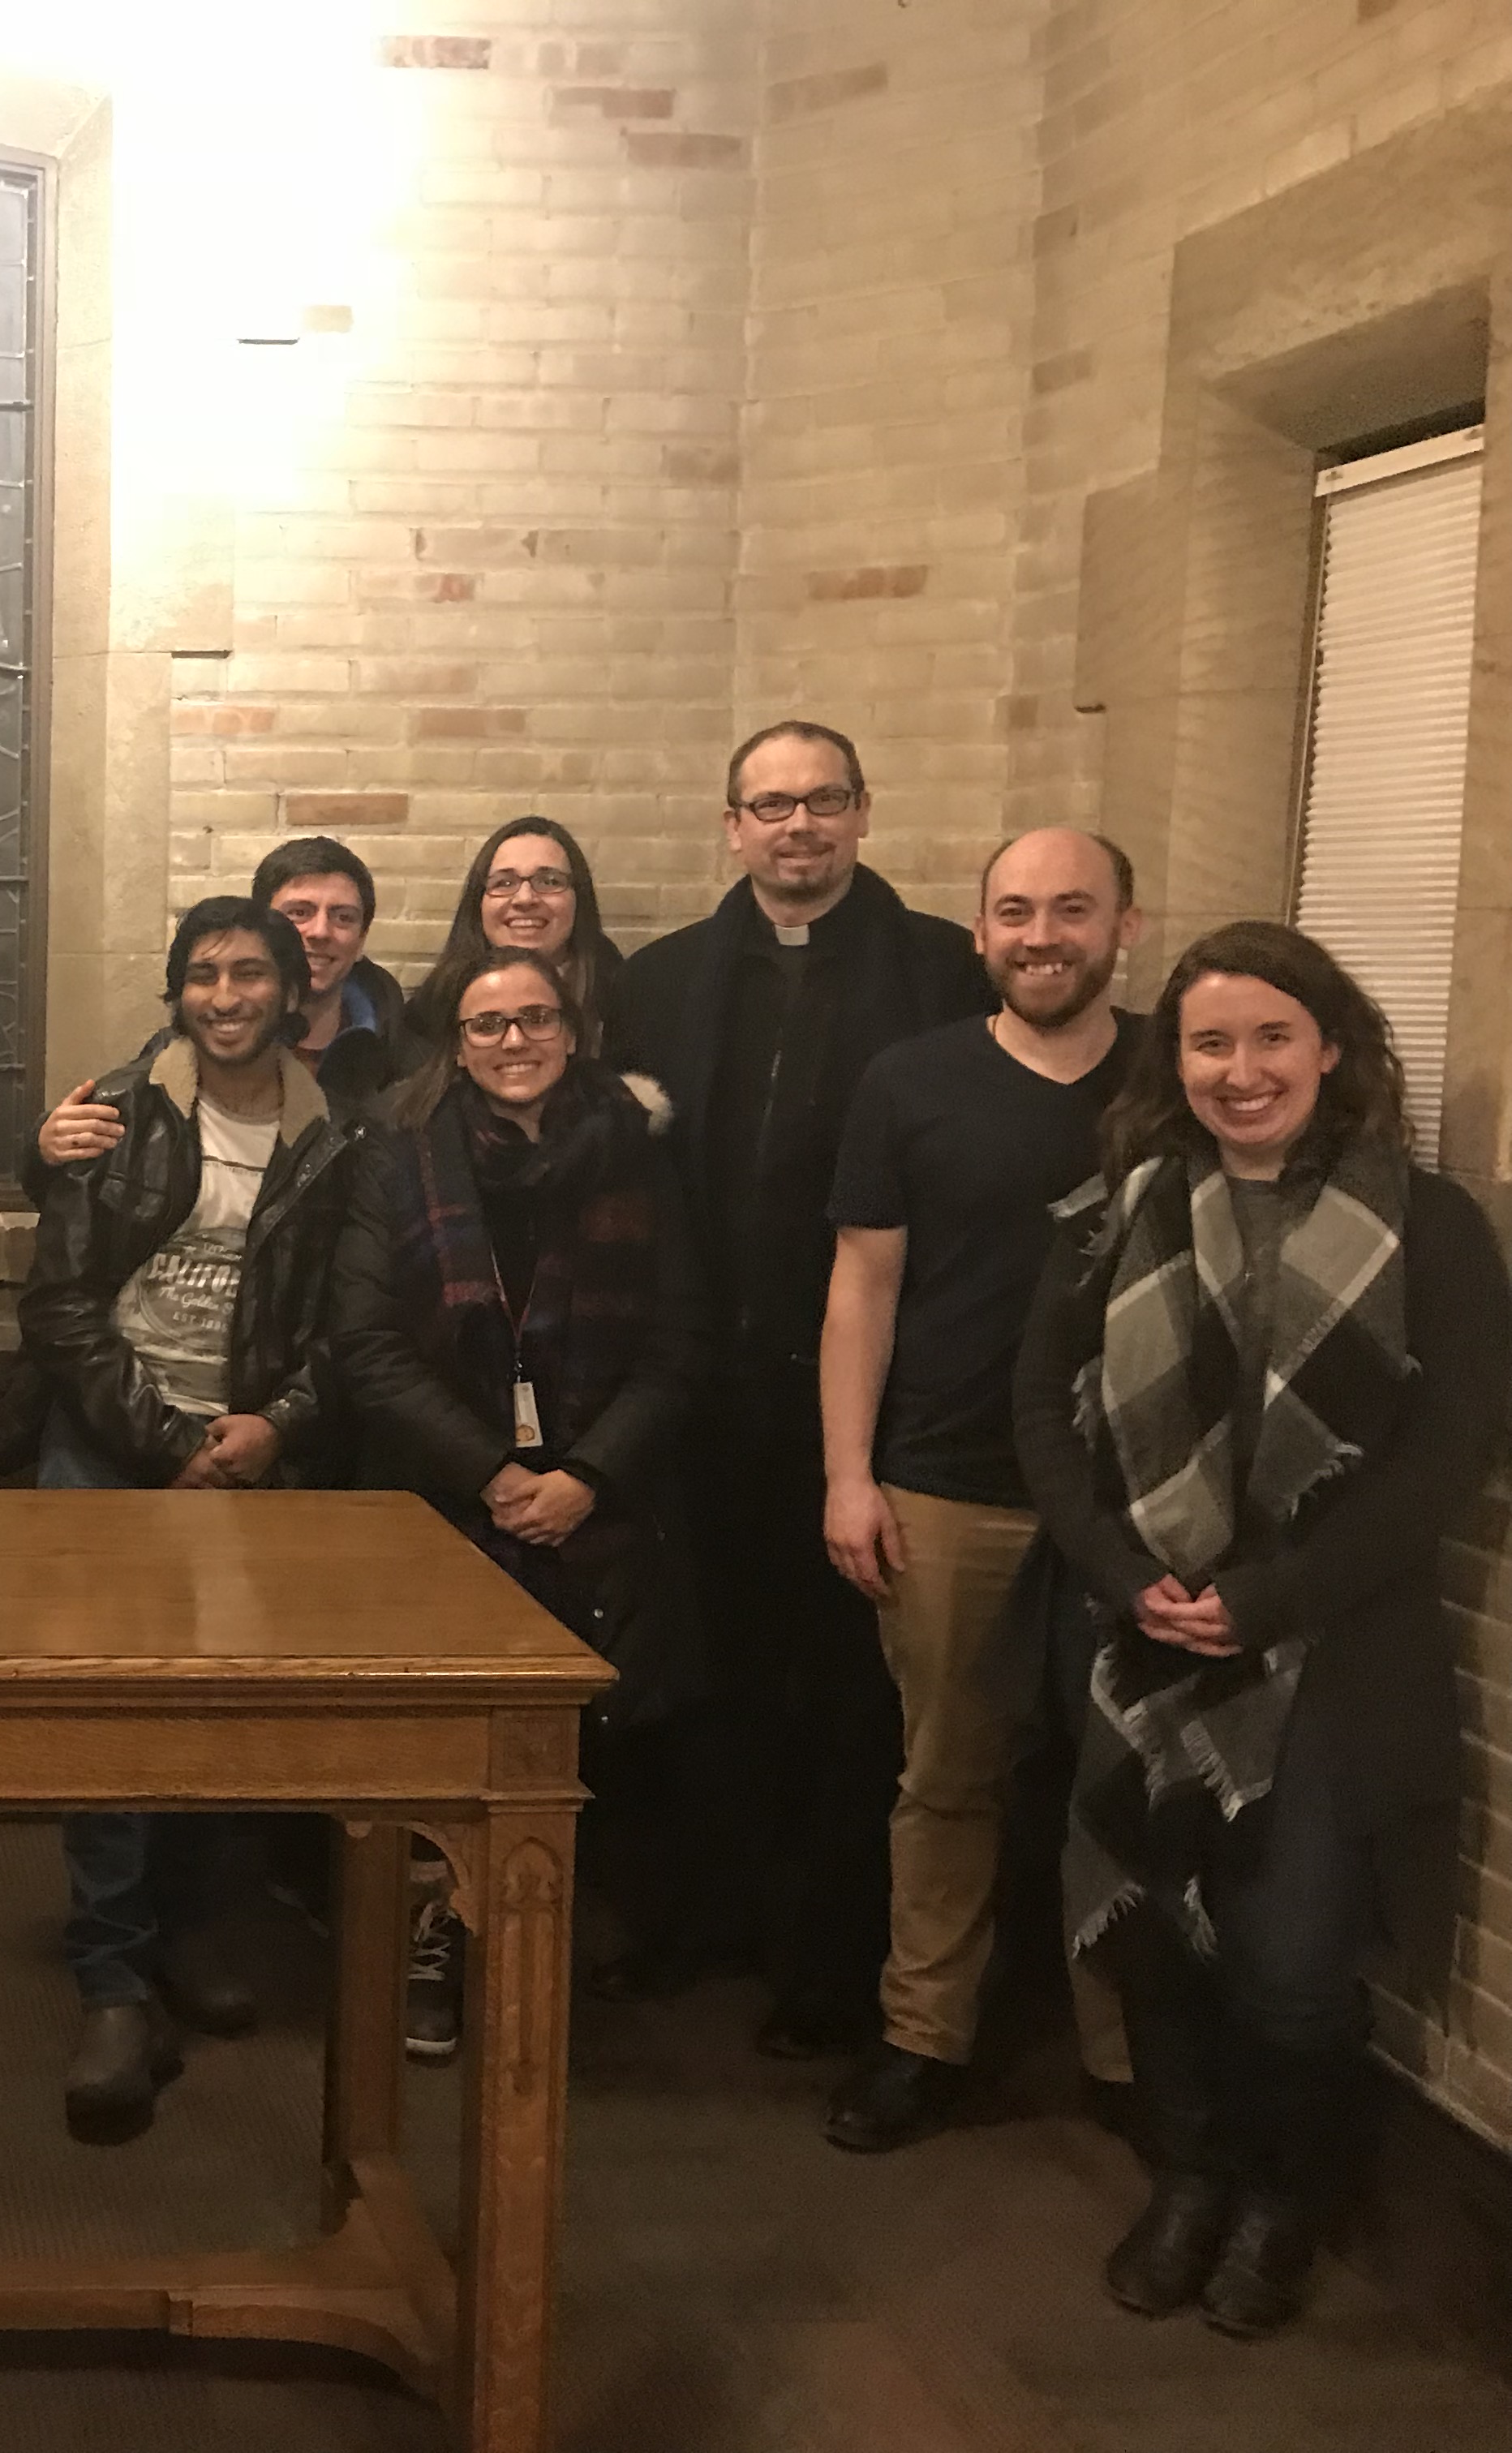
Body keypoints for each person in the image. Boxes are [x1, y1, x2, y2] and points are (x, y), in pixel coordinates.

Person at [1014, 922, 1506, 2338]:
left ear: (1330, 1046)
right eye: (1209, 1042)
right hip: (1143, 1633)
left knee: (1291, 1955)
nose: (1241, 1070)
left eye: (1270, 1037)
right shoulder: (1112, 1210)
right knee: (1159, 1931)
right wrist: (1121, 1569)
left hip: (1330, 1648)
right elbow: (1038, 1413)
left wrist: (1267, 1595)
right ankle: (1188, 2176)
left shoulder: (1430, 1226)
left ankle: (1282, 2199)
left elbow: (1444, 1455)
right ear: (1173, 1062)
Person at [608, 720, 990, 2053]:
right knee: (704, 1655)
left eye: (821, 801)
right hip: (703, 1382)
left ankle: (826, 1955)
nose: (796, 826)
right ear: (731, 826)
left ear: (861, 812)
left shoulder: (943, 969)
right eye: (769, 805)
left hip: (873, 1391)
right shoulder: (658, 981)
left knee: (851, 1682)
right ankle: (699, 1910)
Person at [814, 829, 1147, 2153]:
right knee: (946, 1773)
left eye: (1071, 908)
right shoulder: (911, 1080)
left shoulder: (1178, 1076)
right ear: (979, 931)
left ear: (1125, 923)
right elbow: (862, 1281)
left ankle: (1127, 2054)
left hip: (1133, 1497)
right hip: (947, 1480)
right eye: (1014, 910)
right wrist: (848, 1473)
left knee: (1113, 1782)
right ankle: (923, 2034)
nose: (1040, 933)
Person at [14, 897, 361, 2141]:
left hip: (257, 1446)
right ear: (177, 993)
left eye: (252, 973)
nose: (229, 996)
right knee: (105, 1709)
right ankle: (111, 1973)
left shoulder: (339, 1133)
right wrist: (168, 1442)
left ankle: (196, 1929)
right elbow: (58, 1305)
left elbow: (354, 1318)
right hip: (115, 1448)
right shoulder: (115, 1113)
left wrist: (273, 1426)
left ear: (293, 988)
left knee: (227, 1707)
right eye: (205, 975)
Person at [329, 946, 704, 2060]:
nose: (515, 1042)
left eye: (537, 1019)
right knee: (440, 1747)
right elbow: (365, 1343)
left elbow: (683, 1340)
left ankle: (542, 1944)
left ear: (574, 1030)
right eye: (490, 1025)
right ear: (457, 1041)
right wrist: (493, 1473)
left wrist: (585, 1477)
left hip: (602, 1493)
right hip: (443, 1498)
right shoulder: (400, 1154)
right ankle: (440, 1939)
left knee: (583, 1739)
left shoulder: (638, 1155)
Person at [33, 834, 404, 1171]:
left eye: (342, 917)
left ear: (361, 939)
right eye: (299, 913)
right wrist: (45, 1147)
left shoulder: (401, 1055)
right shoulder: (180, 1049)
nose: (320, 931)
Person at [428, 814, 627, 1048]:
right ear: (477, 903)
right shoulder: (429, 1016)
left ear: (579, 899)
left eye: (550, 881)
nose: (525, 899)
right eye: (504, 883)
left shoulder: (628, 1007)